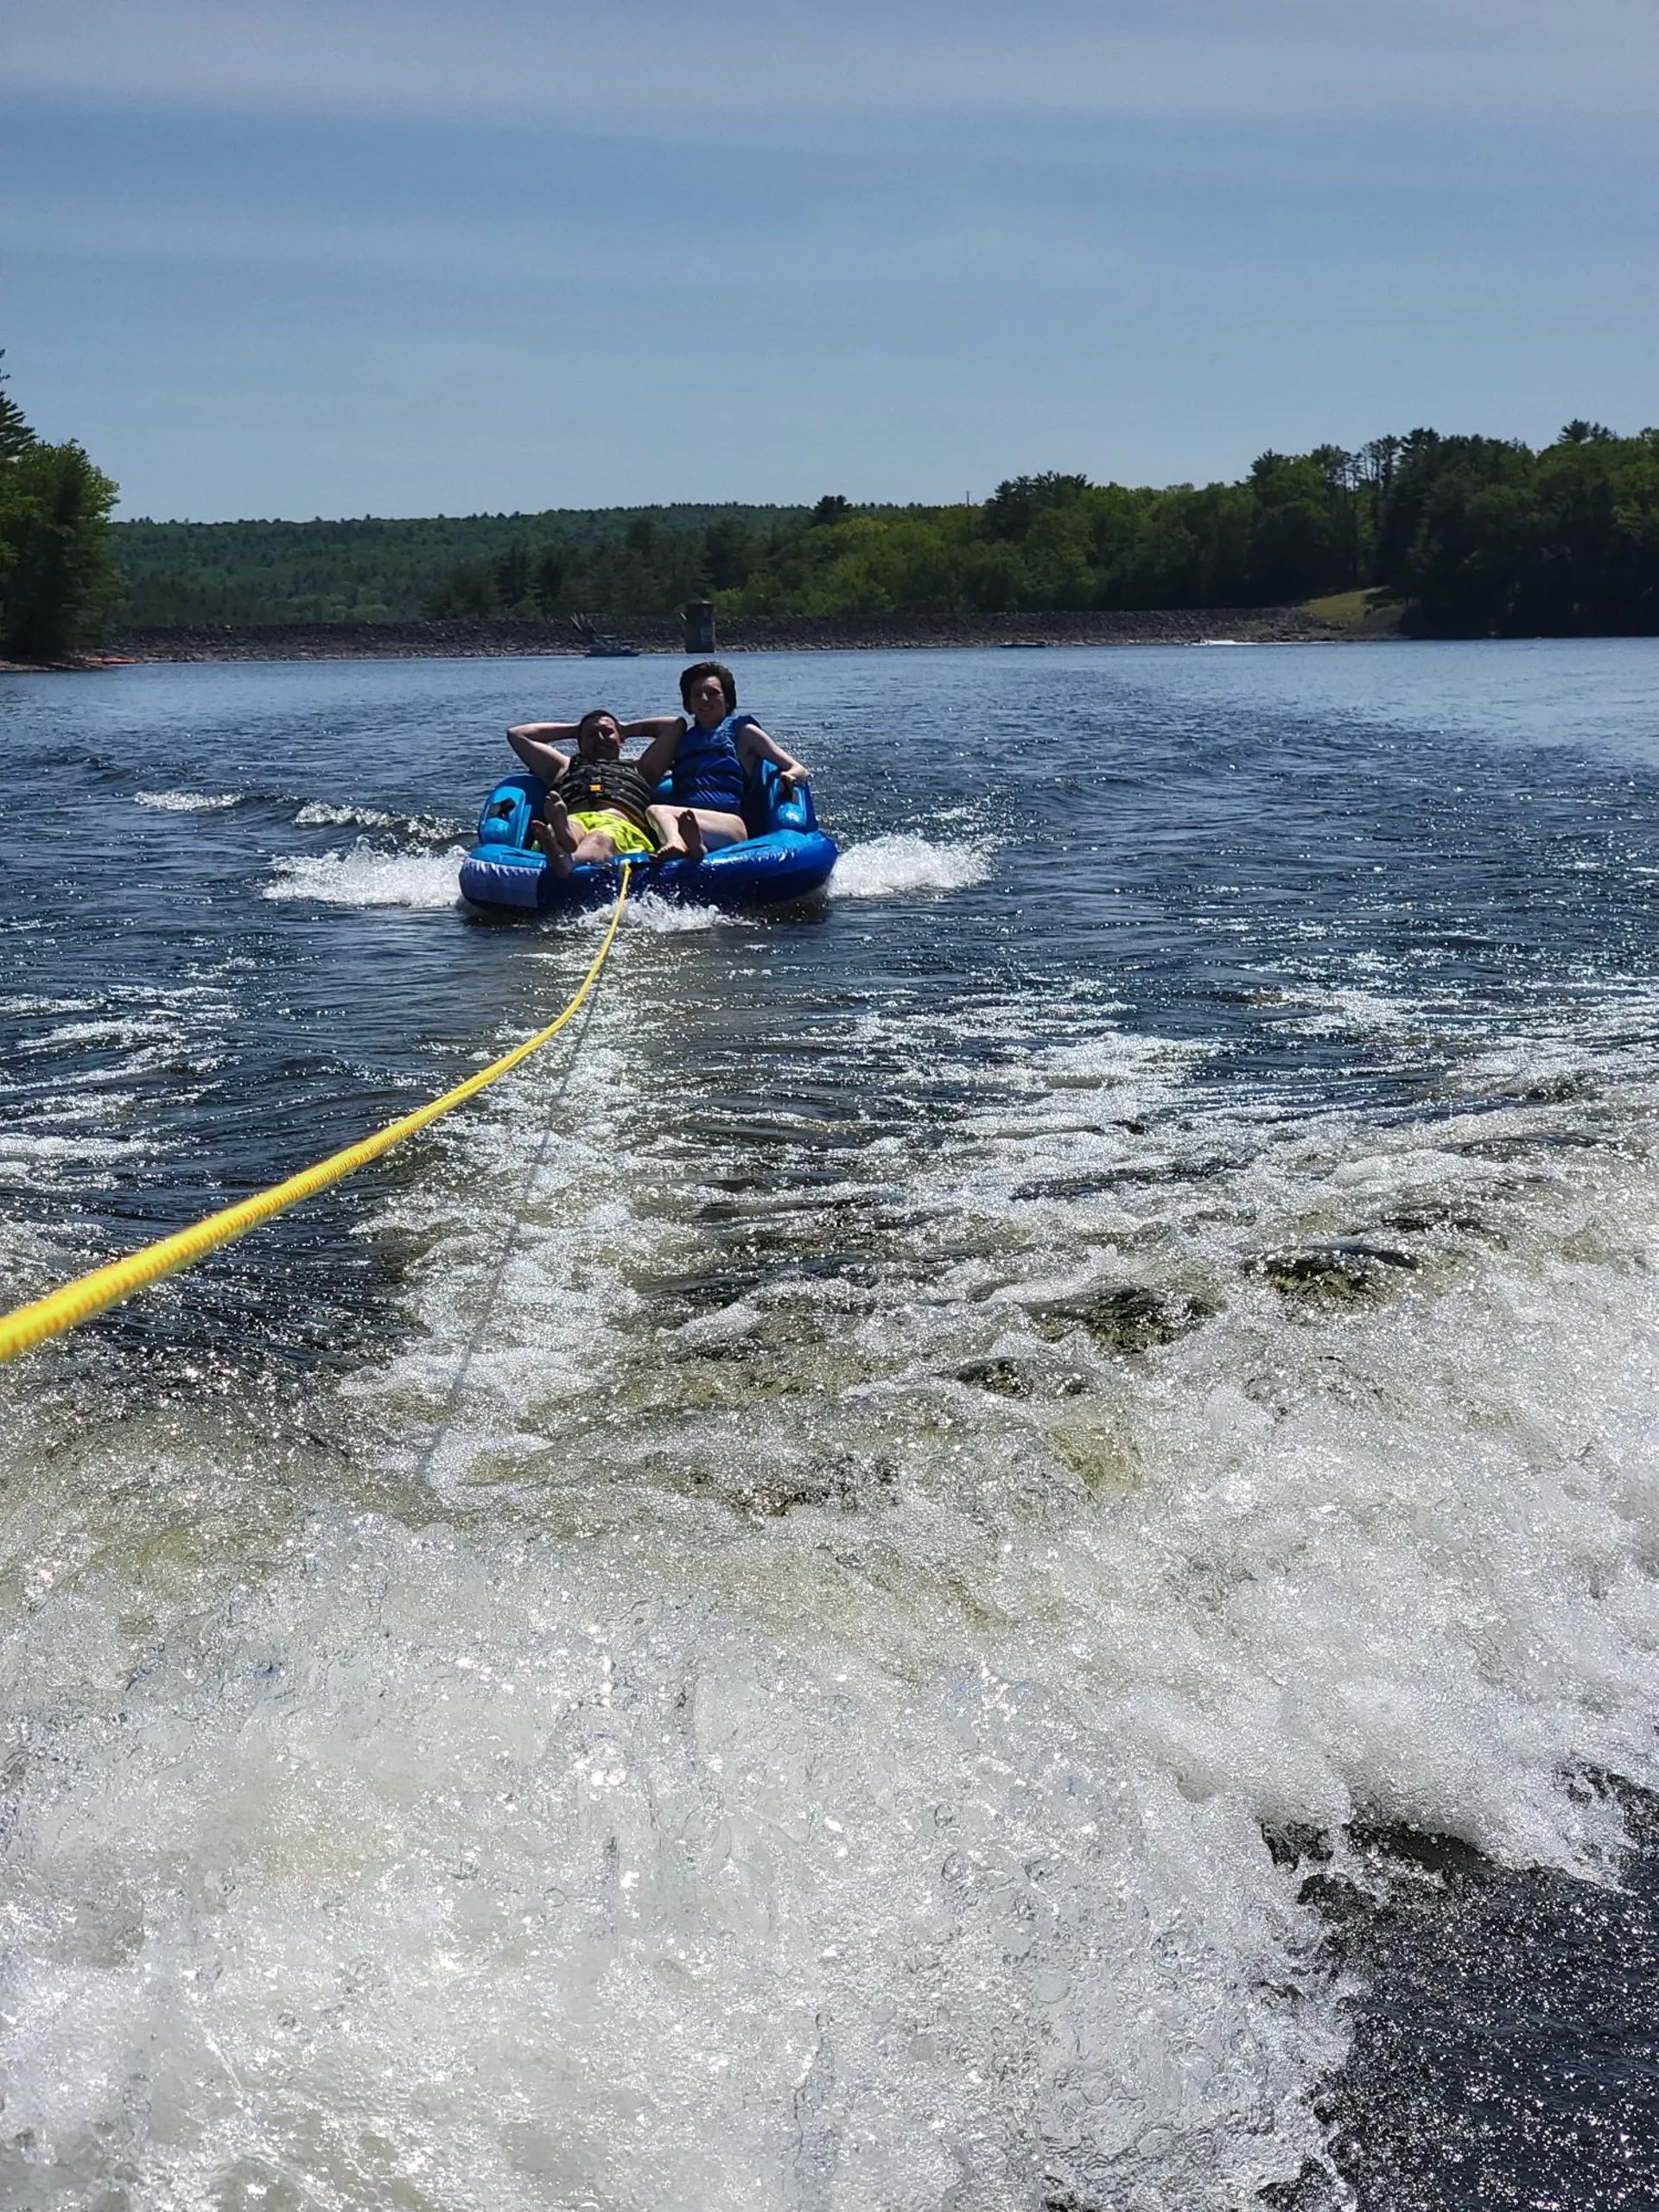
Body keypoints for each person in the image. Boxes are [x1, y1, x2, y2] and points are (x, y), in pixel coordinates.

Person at [626, 662, 811, 860]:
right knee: (665, 816)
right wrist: (623, 730)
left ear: (728, 700)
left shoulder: (744, 734)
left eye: (713, 693)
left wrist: (789, 776)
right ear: (689, 704)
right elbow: (650, 763)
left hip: (729, 826)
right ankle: (695, 848)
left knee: (657, 812)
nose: (704, 699)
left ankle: (677, 843)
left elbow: (799, 769)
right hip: (685, 820)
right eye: (697, 695)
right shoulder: (683, 742)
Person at [505, 709, 660, 880]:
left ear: (621, 738)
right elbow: (517, 735)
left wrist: (624, 728)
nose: (600, 738)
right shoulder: (564, 767)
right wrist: (576, 729)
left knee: (599, 839)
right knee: (561, 828)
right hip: (573, 818)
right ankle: (563, 838)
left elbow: (674, 726)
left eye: (607, 732)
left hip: (617, 822)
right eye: (591, 735)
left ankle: (567, 856)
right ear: (579, 743)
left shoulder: (641, 768)